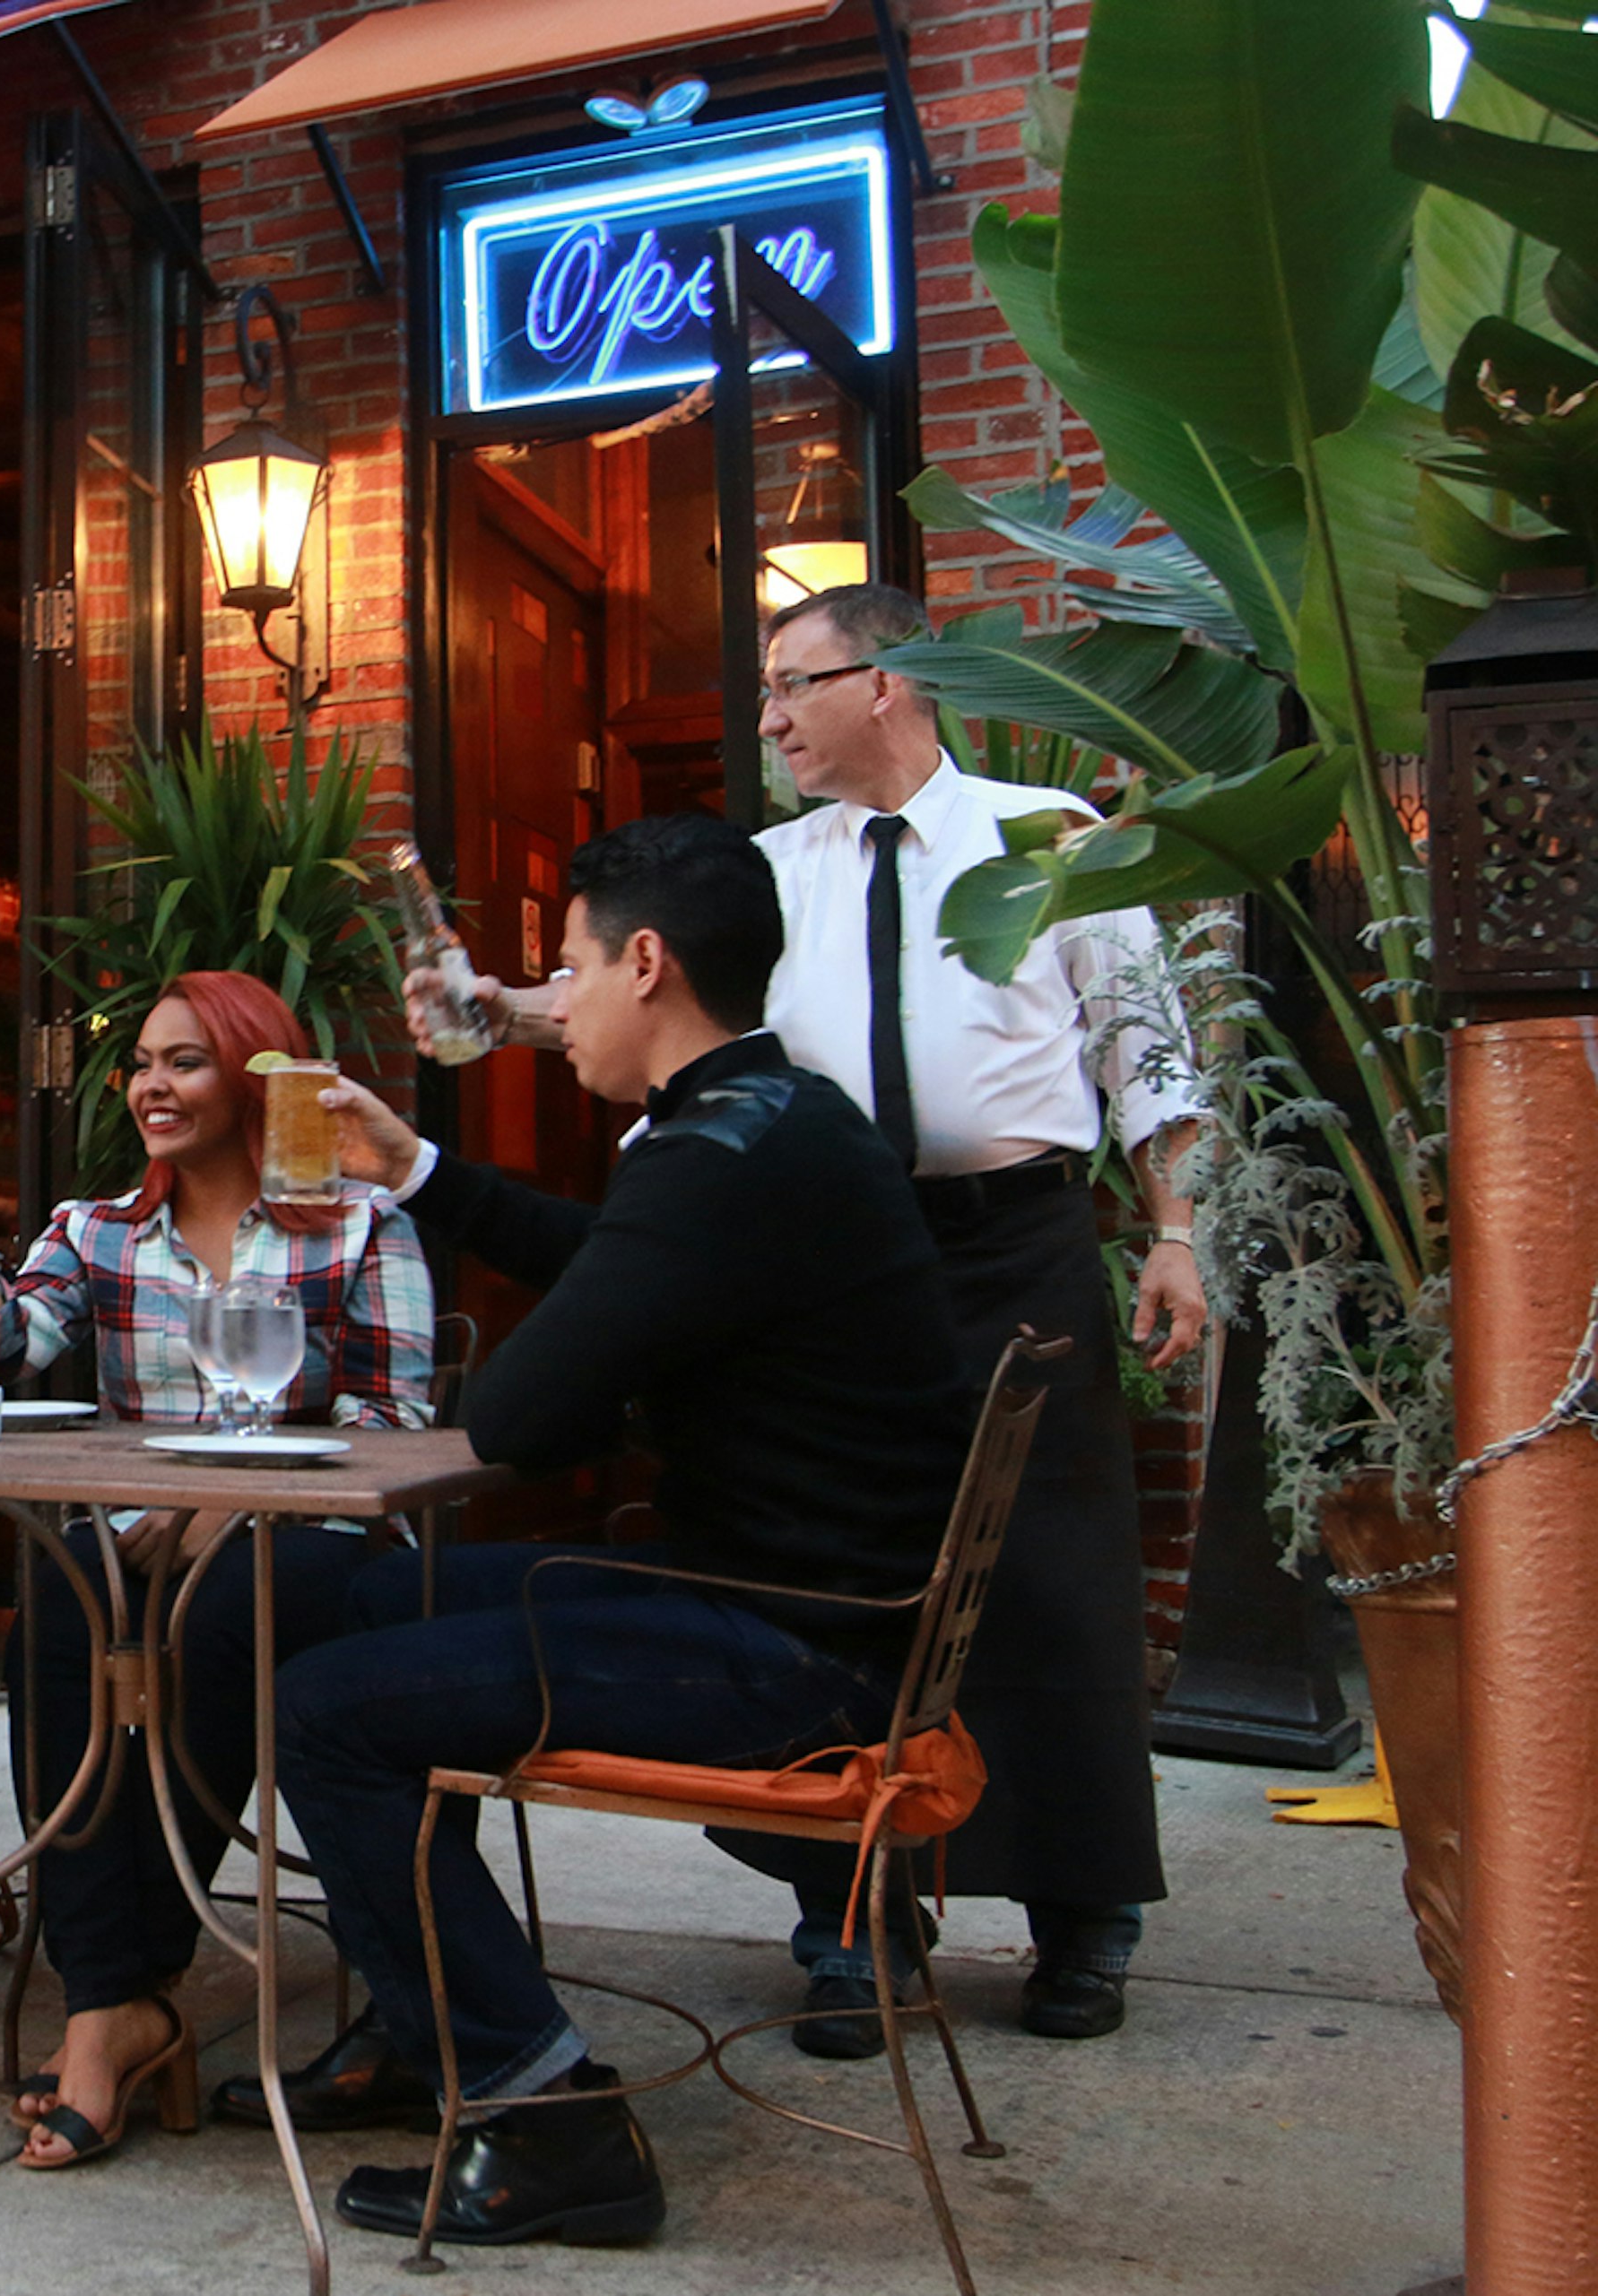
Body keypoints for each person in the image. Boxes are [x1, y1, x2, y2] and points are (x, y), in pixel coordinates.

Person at [448, 582, 1205, 2049]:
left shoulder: (1052, 838)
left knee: (1050, 1572)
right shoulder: (758, 873)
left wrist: (1174, 1231)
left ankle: (1082, 1916)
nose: (773, 719)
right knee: (819, 1566)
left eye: (796, 685)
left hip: (1017, 1244)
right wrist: (495, 1008)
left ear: (894, 680)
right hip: (815, 1263)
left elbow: (1150, 1053)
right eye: (767, 695)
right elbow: (642, 1003)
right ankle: (848, 1918)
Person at [260, 812, 970, 2247]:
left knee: (327, 1705)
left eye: (567, 967)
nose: (553, 999)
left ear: (645, 963)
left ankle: (550, 2126)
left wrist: (566, 1330)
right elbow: (621, 1270)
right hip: (801, 1601)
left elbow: (523, 1415)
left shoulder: (719, 1158)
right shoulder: (774, 1119)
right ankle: (428, 2022)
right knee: (351, 1604)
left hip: (800, 1652)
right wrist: (418, 1172)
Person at [0, 968, 437, 2172]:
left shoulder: (362, 1224)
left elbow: (398, 1420)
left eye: (186, 1061)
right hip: (135, 1542)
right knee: (56, 1627)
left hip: (314, 1548)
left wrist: (232, 1505)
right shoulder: (100, 1229)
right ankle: (106, 2005)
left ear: (258, 1074)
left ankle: (125, 2001)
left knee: (222, 1618)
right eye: (144, 1064)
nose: (153, 1085)